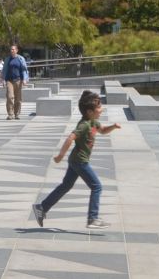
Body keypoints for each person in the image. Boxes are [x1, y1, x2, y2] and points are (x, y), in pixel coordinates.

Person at [33, 94, 121, 230]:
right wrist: (60, 155)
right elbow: (70, 137)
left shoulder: (93, 122)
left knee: (66, 186)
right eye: (99, 107)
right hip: (80, 161)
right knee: (97, 186)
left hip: (76, 160)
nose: (101, 109)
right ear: (90, 112)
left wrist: (113, 127)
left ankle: (42, 207)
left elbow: (102, 131)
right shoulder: (84, 125)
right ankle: (92, 218)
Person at [3, 44, 30, 119]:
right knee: (10, 97)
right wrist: (3, 80)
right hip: (9, 80)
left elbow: (24, 70)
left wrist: (24, 79)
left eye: (13, 49)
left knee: (18, 99)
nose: (12, 51)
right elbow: (4, 70)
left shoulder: (21, 59)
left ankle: (17, 113)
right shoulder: (7, 59)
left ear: (17, 50)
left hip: (18, 80)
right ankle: (10, 114)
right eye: (11, 49)